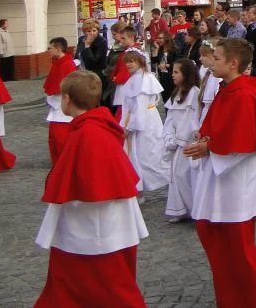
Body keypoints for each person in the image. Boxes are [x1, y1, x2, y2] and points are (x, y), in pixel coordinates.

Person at [35, 70, 149, 307]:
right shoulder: (98, 126)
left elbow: (87, 183)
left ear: (66, 99)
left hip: (92, 222)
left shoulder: (87, 132)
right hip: (108, 217)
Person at [183, 38, 256, 308]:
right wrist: (206, 135)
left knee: (237, 247)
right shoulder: (227, 89)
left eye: (217, 58)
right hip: (219, 178)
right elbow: (221, 127)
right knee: (214, 238)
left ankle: (250, 294)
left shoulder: (244, 95)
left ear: (233, 63)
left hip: (237, 183)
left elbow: (244, 141)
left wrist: (209, 147)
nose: (211, 63)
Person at [116, 51, 170, 198]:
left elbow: (140, 107)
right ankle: (137, 186)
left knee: (146, 154)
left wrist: (129, 127)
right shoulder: (135, 78)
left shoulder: (145, 80)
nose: (128, 64)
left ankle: (160, 182)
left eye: (131, 61)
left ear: (140, 62)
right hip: (137, 119)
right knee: (138, 155)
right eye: (126, 62)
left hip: (144, 122)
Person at [162, 58, 200, 223]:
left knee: (183, 174)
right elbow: (170, 116)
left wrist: (180, 138)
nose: (173, 75)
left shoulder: (194, 92)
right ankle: (181, 208)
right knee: (175, 175)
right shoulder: (176, 92)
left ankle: (194, 209)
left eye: (176, 72)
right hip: (176, 140)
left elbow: (191, 118)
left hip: (186, 140)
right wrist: (169, 135)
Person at [43, 37, 78, 166]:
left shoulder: (67, 64)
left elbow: (68, 86)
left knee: (60, 136)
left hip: (63, 105)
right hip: (55, 103)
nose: (49, 51)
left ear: (58, 49)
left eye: (51, 48)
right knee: (54, 136)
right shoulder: (57, 62)